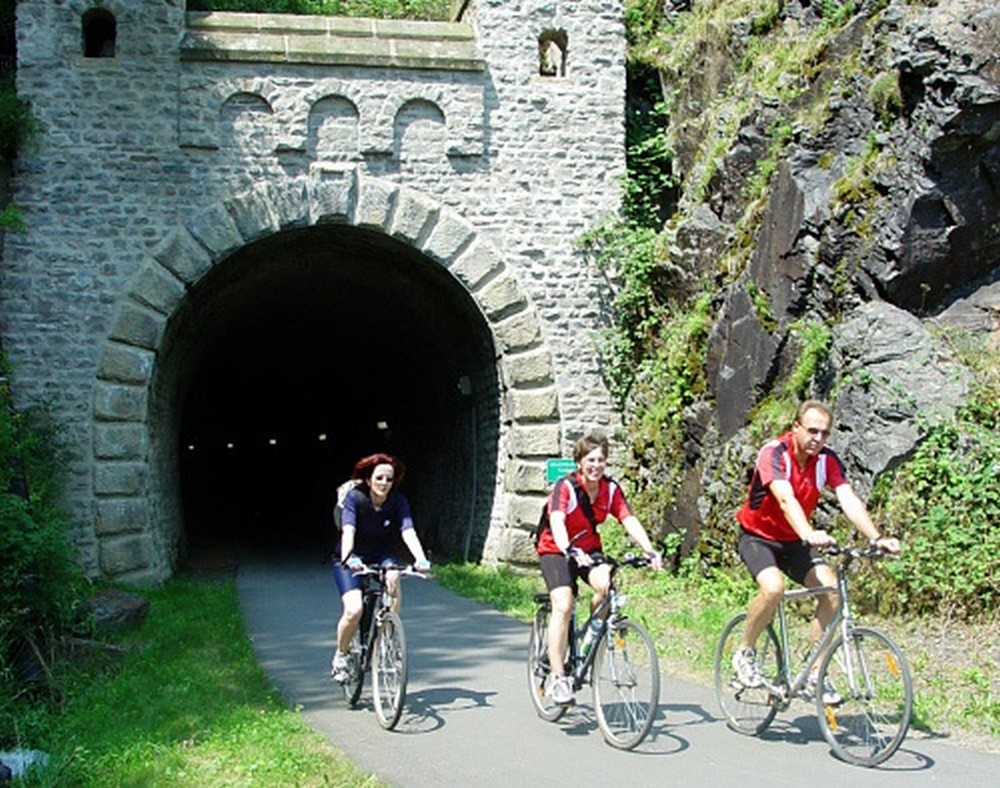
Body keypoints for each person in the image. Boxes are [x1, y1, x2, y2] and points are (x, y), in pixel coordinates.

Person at [732, 400, 900, 703]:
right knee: (773, 589)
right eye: (812, 431)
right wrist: (808, 533)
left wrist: (876, 537)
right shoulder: (774, 453)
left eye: (824, 433)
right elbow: (785, 499)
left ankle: (814, 675)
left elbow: (848, 500)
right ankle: (745, 652)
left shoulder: (826, 460)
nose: (818, 438)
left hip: (795, 542)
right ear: (795, 427)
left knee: (832, 591)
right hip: (759, 538)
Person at [535, 430, 663, 706]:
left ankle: (589, 638)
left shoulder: (610, 489)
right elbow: (556, 520)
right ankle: (558, 677)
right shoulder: (565, 487)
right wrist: (567, 549)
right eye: (590, 460)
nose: (596, 465)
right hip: (555, 548)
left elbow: (628, 519)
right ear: (579, 462)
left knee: (607, 588)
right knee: (564, 604)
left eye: (601, 460)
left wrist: (649, 549)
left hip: (588, 549)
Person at [330, 452, 431, 683]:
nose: (384, 483)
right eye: (379, 478)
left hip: (382, 554)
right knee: (354, 609)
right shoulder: (355, 498)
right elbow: (348, 531)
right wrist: (349, 557)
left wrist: (420, 559)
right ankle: (341, 655)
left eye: (389, 479)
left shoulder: (397, 501)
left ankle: (388, 638)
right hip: (351, 557)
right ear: (368, 479)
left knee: (394, 583)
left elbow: (408, 530)